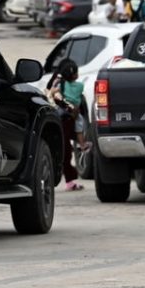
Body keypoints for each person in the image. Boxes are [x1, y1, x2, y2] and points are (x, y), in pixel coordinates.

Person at [46, 58, 85, 192]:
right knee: (65, 151)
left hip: (56, 120)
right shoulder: (69, 87)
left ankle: (65, 179)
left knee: (60, 150)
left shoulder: (57, 84)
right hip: (65, 121)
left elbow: (50, 93)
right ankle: (69, 180)